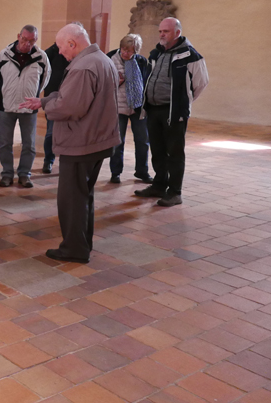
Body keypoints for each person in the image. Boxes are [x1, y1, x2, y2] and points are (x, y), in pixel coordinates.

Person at [20, 24, 120, 264]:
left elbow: (70, 107)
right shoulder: (102, 59)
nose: (60, 52)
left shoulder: (83, 67)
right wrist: (44, 101)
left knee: (72, 199)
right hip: (97, 139)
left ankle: (74, 248)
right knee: (84, 195)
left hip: (81, 141)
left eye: (62, 47)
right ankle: (83, 242)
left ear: (73, 44)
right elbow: (75, 97)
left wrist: (49, 107)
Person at [134, 17, 208, 206]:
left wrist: (183, 102)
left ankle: (175, 192)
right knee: (157, 150)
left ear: (177, 33)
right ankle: (159, 185)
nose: (161, 34)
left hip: (173, 112)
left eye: (165, 31)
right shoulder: (155, 54)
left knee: (174, 152)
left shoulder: (190, 56)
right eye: (160, 31)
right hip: (153, 109)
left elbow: (200, 82)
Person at [0, 25, 51, 188]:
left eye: (31, 41)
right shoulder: (4, 55)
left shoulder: (41, 57)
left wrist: (34, 94)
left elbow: (45, 79)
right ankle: (7, 174)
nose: (27, 44)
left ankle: (25, 174)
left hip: (29, 107)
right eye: (24, 39)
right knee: (4, 143)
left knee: (29, 144)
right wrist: (6, 92)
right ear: (19, 36)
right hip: (7, 106)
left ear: (35, 40)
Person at [106, 34, 153, 184]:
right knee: (117, 141)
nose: (126, 53)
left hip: (137, 107)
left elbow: (147, 83)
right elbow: (101, 83)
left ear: (136, 51)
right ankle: (115, 172)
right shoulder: (110, 58)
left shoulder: (141, 62)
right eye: (124, 49)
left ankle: (142, 171)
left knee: (143, 141)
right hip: (117, 107)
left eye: (130, 51)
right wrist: (116, 81)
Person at [42, 29, 73, 174]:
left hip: (71, 98)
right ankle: (48, 160)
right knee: (50, 133)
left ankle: (66, 163)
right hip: (53, 98)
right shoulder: (51, 52)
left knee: (70, 134)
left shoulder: (79, 54)